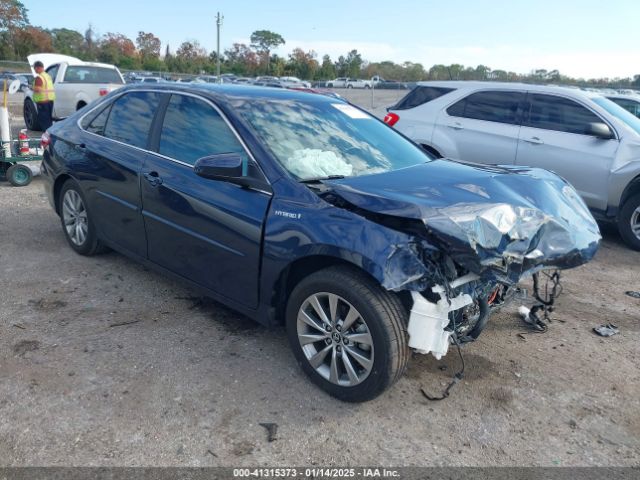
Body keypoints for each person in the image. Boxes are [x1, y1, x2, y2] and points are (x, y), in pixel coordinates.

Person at [32, 61, 55, 130]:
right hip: (50, 101)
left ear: (38, 68)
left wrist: (32, 88)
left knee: (44, 122)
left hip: (42, 102)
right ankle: (50, 135)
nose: (34, 70)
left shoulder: (39, 78)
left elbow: (38, 90)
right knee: (49, 121)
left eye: (34, 68)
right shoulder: (47, 76)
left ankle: (47, 137)